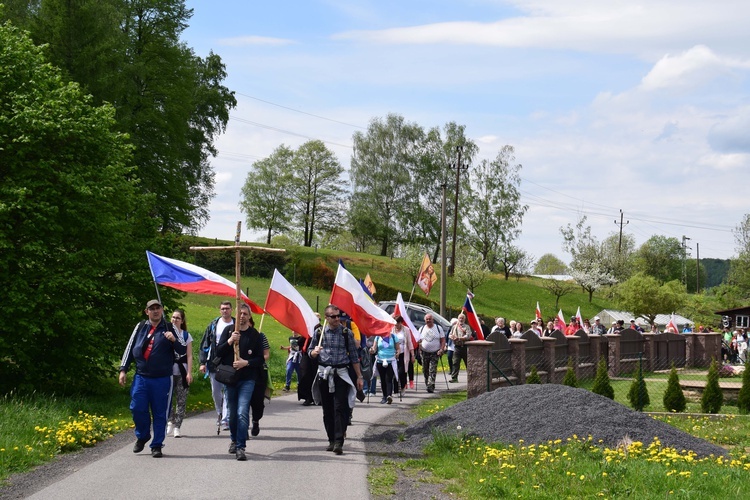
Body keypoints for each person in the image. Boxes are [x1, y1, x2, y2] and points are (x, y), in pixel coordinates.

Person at [119, 299, 187, 458]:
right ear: (147, 311)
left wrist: (173, 340)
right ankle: (142, 436)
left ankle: (157, 444)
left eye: (158, 308)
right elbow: (130, 348)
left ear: (162, 310)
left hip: (162, 379)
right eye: (152, 309)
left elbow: (182, 351)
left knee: (160, 412)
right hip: (141, 376)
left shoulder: (170, 328)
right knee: (137, 407)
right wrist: (123, 369)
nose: (155, 311)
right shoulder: (141, 326)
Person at [309, 305, 364, 455]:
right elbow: (309, 351)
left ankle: (339, 441)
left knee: (340, 407)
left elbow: (354, 356)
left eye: (338, 316)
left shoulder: (347, 333)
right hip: (324, 374)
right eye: (333, 316)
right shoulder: (319, 333)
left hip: (341, 373)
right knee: (327, 409)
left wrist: (359, 376)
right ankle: (331, 439)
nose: (337, 319)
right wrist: (314, 352)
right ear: (326, 318)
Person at [216, 303, 266, 461]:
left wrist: (246, 363)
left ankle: (240, 447)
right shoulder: (229, 331)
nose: (242, 316)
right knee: (232, 414)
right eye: (240, 314)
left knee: (242, 412)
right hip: (230, 379)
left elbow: (260, 358)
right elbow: (218, 351)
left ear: (250, 316)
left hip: (247, 379)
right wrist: (230, 340)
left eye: (245, 314)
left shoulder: (255, 335)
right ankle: (234, 439)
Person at [198, 301, 234, 431]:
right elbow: (204, 344)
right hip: (214, 362)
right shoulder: (214, 325)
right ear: (220, 310)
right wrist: (202, 362)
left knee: (228, 392)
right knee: (216, 391)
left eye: (227, 308)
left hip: (230, 363)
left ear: (232, 310)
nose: (225, 311)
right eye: (223, 309)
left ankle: (226, 419)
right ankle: (219, 413)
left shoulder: (235, 325)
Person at [167, 308, 192, 438]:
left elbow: (189, 356)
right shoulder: (166, 333)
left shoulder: (186, 336)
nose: (174, 320)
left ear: (182, 321)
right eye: (173, 317)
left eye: (177, 318)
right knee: (168, 397)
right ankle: (170, 420)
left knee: (181, 400)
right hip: (169, 370)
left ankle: (177, 426)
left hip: (182, 370)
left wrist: (189, 373)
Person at [370, 328, 399, 404]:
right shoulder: (378, 337)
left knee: (389, 378)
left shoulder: (393, 337)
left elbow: (398, 349)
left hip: (391, 361)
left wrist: (397, 353)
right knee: (382, 379)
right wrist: (372, 350)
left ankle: (389, 395)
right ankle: (384, 396)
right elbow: (374, 348)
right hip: (380, 360)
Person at [418, 313, 446, 393]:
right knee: (425, 370)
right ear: (425, 320)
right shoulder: (421, 329)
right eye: (427, 319)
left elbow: (443, 340)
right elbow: (418, 340)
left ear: (433, 320)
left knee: (432, 369)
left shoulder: (438, 328)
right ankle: (428, 383)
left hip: (435, 353)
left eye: (430, 319)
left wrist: (441, 349)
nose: (428, 320)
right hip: (424, 352)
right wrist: (418, 344)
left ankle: (430, 386)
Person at [298, 313, 321, 406]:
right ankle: (308, 397)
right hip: (306, 355)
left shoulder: (320, 330)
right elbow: (300, 342)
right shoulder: (307, 329)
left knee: (317, 376)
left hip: (317, 356)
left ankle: (319, 397)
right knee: (305, 375)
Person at [449, 313, 474, 383]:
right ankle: (454, 378)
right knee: (455, 362)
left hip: (465, 347)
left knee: (468, 363)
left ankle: (471, 378)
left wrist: (460, 338)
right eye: (460, 318)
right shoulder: (454, 327)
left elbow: (468, 335)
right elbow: (450, 335)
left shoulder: (467, 327)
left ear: (464, 319)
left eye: (462, 318)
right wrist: (452, 337)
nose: (461, 319)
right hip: (457, 347)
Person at [391, 316, 413, 392]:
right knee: (394, 372)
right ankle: (396, 390)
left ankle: (403, 386)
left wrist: (412, 355)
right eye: (394, 323)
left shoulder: (406, 330)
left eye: (397, 323)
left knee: (401, 372)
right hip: (393, 354)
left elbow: (410, 343)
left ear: (401, 322)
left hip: (403, 354)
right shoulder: (391, 330)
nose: (395, 325)